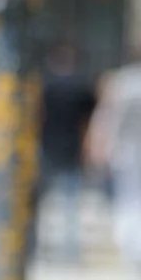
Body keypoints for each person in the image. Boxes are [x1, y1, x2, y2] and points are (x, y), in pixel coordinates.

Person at [33, 42, 95, 262]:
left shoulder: (45, 87)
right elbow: (88, 123)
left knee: (39, 202)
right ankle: (71, 252)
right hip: (71, 149)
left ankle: (35, 246)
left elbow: (36, 119)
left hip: (47, 148)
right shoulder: (81, 88)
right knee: (71, 205)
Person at [86, 52, 141, 271]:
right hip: (126, 152)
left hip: (124, 153)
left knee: (127, 200)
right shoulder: (125, 83)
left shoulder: (122, 83)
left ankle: (133, 247)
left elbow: (106, 120)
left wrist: (98, 146)